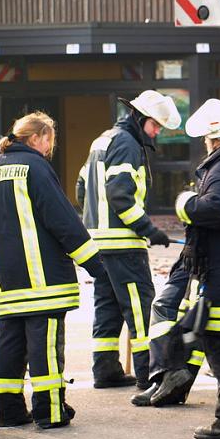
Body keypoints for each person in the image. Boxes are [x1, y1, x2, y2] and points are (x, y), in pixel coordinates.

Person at [135, 100, 220, 439]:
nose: (204, 142)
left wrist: (184, 204)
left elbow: (217, 211)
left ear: (215, 137)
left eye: (206, 136)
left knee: (219, 345)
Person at [0, 112, 106, 428]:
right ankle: (50, 412)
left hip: (6, 282)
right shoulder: (36, 169)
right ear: (37, 138)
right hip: (43, 281)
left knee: (9, 344)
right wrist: (96, 265)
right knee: (44, 348)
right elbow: (63, 221)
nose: (50, 147)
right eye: (49, 140)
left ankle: (7, 411)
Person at [77, 90, 181, 389]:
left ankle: (106, 370)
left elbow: (81, 187)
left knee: (107, 308)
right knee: (140, 310)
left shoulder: (103, 139)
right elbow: (120, 194)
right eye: (155, 125)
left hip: (99, 244)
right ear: (140, 118)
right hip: (123, 245)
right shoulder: (127, 144)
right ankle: (149, 376)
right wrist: (149, 229)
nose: (157, 132)